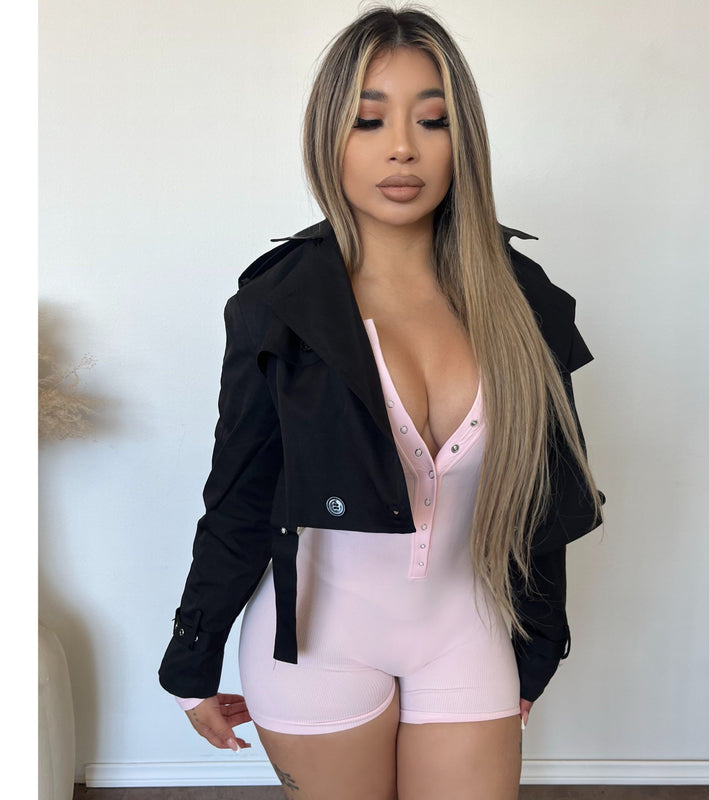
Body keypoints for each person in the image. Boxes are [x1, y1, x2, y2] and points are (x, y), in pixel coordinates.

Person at [158, 5, 604, 799]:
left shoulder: (523, 302)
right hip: (313, 646)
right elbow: (238, 497)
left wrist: (538, 647)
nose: (403, 147)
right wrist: (192, 660)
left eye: (432, 120)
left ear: (463, 139)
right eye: (369, 120)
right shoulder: (279, 307)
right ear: (328, 136)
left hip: (465, 631)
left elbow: (544, 499)